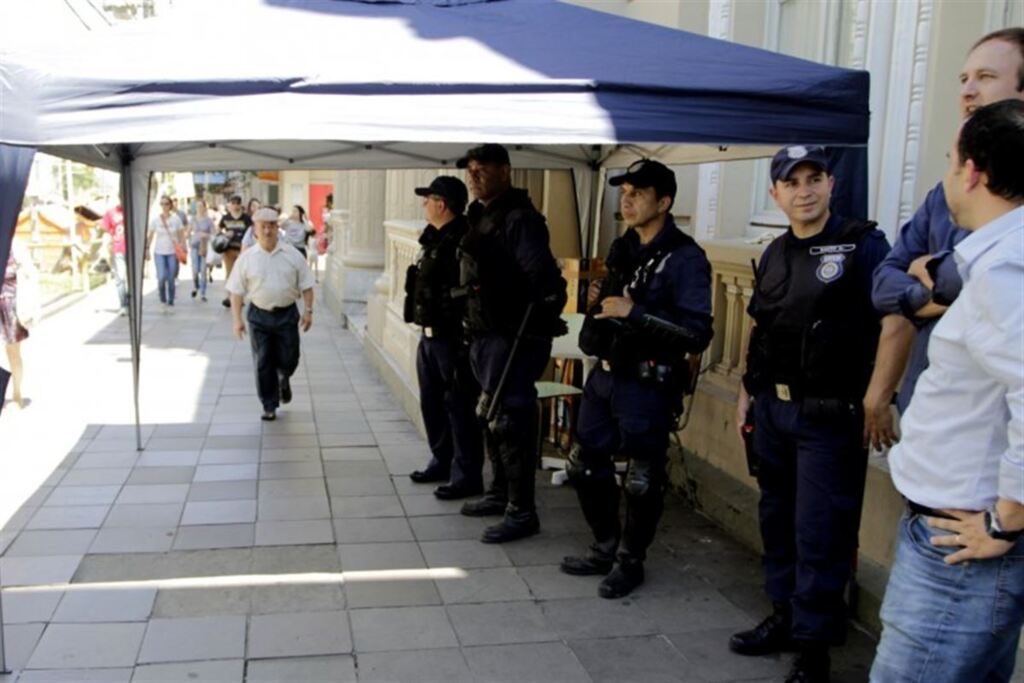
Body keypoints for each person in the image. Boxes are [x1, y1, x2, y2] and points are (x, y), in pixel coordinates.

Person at [869, 100, 1024, 683]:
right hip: (955, 534)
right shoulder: (996, 258)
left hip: (963, 544)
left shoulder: (1007, 267)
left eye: (948, 160)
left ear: (973, 172)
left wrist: (1007, 518)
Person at [731, 146, 891, 683]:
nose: (804, 189)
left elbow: (894, 322)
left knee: (820, 532)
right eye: (791, 181)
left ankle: (815, 647)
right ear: (775, 195)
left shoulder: (864, 245)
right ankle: (784, 616)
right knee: (777, 521)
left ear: (830, 185)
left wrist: (881, 395)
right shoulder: (775, 251)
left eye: (814, 178)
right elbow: (762, 329)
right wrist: (746, 393)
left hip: (829, 417)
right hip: (774, 410)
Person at [865, 28, 1024, 450]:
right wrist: (925, 295)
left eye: (986, 77)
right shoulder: (944, 193)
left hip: (991, 452)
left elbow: (973, 280)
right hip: (928, 420)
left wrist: (930, 273)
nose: (968, 91)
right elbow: (884, 283)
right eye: (963, 79)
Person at [561, 159, 713, 599]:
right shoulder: (624, 246)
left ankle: (631, 561)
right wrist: (600, 300)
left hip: (647, 383)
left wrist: (637, 313)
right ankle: (605, 546)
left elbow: (698, 332)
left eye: (638, 193)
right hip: (606, 375)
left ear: (664, 202)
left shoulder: (686, 258)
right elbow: (612, 306)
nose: (626, 200)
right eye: (624, 192)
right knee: (585, 463)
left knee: (644, 477)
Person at [456, 143, 568, 543]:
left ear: (505, 171)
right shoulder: (484, 215)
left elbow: (544, 283)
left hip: (513, 337)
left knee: (511, 420)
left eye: (481, 170)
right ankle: (500, 493)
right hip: (487, 335)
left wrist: (525, 329)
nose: (474, 177)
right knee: (490, 414)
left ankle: (522, 512)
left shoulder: (519, 219)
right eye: (470, 171)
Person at [404, 176, 485, 499]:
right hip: (429, 337)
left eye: (428, 199)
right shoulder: (433, 240)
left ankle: (467, 475)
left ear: (442, 204)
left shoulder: (463, 242)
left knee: (460, 407)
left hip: (453, 339)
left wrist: (465, 337)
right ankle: (442, 459)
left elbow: (469, 294)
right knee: (432, 403)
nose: (424, 205)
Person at [226, 207, 315, 421]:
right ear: (255, 230)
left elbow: (307, 285)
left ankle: (284, 376)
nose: (267, 231)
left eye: (271, 226)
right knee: (263, 361)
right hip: (259, 315)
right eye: (262, 226)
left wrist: (308, 311)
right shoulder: (247, 259)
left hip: (286, 314)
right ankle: (269, 404)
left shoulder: (292, 255)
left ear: (278, 228)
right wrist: (237, 320)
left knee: (290, 357)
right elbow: (236, 292)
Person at [1, 237, 38, 410]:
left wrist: (31, 305)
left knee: (13, 353)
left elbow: (31, 275)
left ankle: (17, 392)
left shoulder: (16, 245)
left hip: (11, 305)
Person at [146, 195, 186, 309]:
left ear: (170, 205)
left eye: (166, 204)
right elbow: (150, 236)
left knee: (171, 277)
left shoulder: (176, 219)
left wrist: (183, 247)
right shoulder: (156, 220)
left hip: (172, 253)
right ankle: (163, 299)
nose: (164, 206)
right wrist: (147, 249)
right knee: (161, 277)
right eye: (162, 204)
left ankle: (171, 300)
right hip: (159, 252)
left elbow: (181, 235)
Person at [218, 195, 253, 307]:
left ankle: (240, 298)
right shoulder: (226, 218)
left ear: (240, 204)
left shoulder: (246, 218)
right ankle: (229, 297)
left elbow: (251, 231)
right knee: (229, 273)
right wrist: (224, 234)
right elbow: (218, 230)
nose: (235, 205)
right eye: (232, 203)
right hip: (229, 249)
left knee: (241, 274)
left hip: (242, 250)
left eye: (237, 203)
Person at [100, 202, 128, 316]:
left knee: (132, 278)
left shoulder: (133, 211)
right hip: (118, 249)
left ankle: (131, 301)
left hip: (132, 249)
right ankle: (123, 304)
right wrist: (106, 245)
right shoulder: (111, 212)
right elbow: (105, 229)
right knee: (120, 277)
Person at [189, 199, 214, 301]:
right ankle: (196, 286)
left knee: (203, 271)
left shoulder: (209, 220)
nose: (199, 208)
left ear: (204, 208)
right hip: (194, 246)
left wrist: (206, 235)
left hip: (204, 247)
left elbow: (213, 234)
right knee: (195, 270)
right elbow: (187, 231)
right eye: (197, 206)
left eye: (201, 206)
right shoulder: (193, 219)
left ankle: (203, 293)